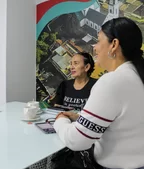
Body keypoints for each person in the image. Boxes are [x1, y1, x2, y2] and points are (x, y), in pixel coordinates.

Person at [54, 17, 144, 169]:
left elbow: (76, 141)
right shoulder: (136, 76)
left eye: (98, 40)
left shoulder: (112, 82)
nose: (94, 47)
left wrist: (60, 120)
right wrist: (81, 117)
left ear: (114, 44)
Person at [29, 52, 97, 169]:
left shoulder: (96, 85)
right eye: (71, 63)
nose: (71, 67)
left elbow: (95, 116)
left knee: (52, 153)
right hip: (61, 125)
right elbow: (55, 106)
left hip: (80, 131)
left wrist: (74, 116)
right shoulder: (65, 84)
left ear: (87, 67)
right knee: (37, 146)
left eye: (76, 63)